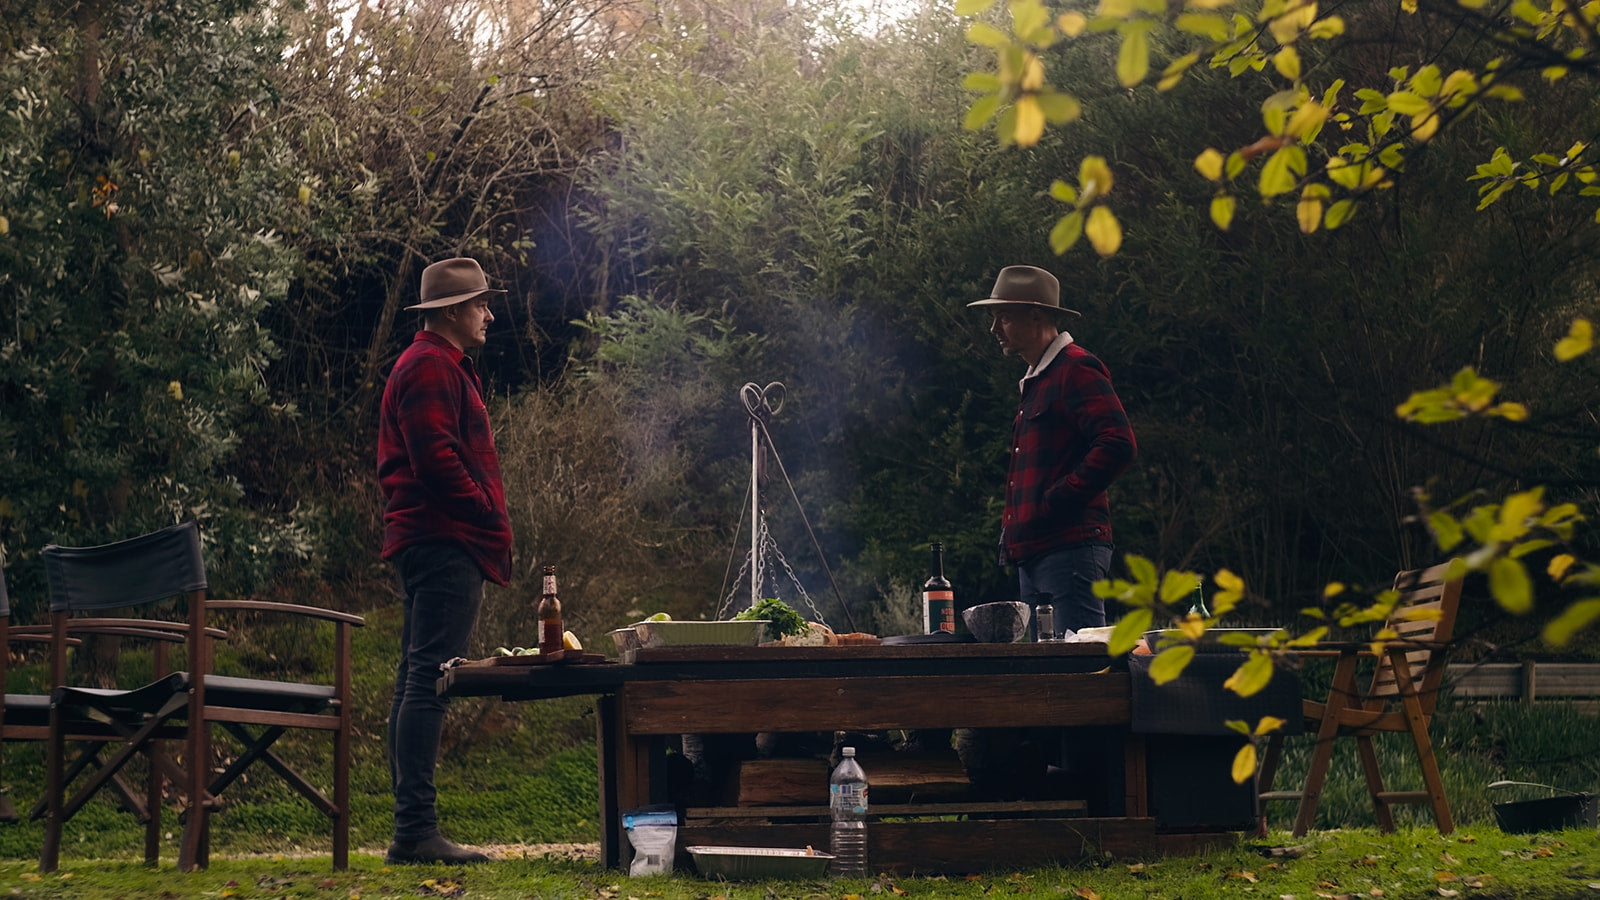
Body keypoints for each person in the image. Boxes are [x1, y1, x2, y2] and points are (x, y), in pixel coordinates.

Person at [377, 257, 513, 864]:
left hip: (431, 540)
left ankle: (413, 829)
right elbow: (435, 459)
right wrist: (484, 509)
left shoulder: (436, 364)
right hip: (443, 539)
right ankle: (415, 833)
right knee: (428, 680)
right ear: (453, 311)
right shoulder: (430, 365)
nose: (489, 313)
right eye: (480, 304)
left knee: (417, 678)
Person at [968, 265, 1136, 633]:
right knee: (1051, 674)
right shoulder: (1040, 378)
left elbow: (1118, 443)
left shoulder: (1076, 368)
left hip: (1070, 548)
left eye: (1003, 317)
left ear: (1036, 315)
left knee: (1081, 667)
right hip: (1038, 551)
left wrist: (1058, 499)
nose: (994, 328)